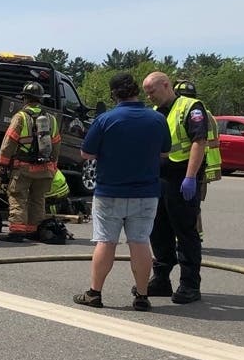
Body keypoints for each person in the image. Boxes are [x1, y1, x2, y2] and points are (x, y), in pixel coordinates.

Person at [73, 73, 171, 311]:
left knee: (106, 241)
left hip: (110, 192)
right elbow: (165, 154)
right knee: (140, 242)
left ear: (114, 94)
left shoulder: (106, 119)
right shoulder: (157, 119)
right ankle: (142, 296)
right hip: (146, 192)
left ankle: (94, 293)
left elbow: (87, 153)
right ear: (137, 90)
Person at [142, 71, 208, 304]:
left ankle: (190, 285)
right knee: (158, 231)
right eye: (147, 93)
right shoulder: (155, 112)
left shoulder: (191, 107)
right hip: (160, 179)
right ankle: (161, 280)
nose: (150, 97)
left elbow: (199, 142)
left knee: (185, 232)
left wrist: (190, 177)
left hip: (182, 179)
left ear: (166, 85)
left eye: (152, 92)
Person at [0, 82, 61, 242]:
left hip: (23, 168)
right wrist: (53, 167)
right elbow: (56, 145)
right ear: (40, 99)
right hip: (45, 168)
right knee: (38, 199)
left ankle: (17, 231)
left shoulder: (21, 117)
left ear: (24, 99)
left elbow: (8, 144)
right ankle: (34, 230)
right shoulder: (51, 119)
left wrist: (2, 166)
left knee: (18, 197)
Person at [174, 80, 220, 240]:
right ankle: (191, 234)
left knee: (191, 205)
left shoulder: (198, 113)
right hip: (198, 165)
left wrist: (196, 145)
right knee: (190, 204)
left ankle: (193, 235)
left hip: (197, 166)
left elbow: (212, 141)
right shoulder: (205, 113)